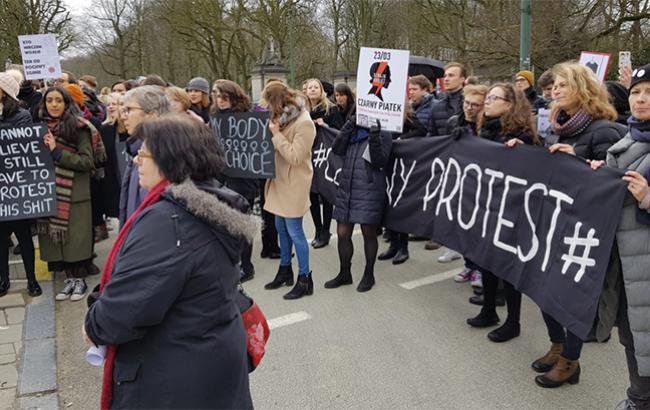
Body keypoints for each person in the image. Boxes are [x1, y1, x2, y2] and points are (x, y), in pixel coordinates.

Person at [84, 115, 255, 409]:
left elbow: (125, 311)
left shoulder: (168, 222)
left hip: (172, 382)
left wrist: (93, 324)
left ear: (169, 160)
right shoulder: (210, 203)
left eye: (144, 153)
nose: (137, 160)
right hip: (209, 366)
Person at [531, 62, 626, 388]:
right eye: (554, 85)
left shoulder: (605, 131)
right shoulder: (555, 128)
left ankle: (571, 360)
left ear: (583, 89)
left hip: (583, 231)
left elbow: (613, 181)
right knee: (543, 289)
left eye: (563, 85)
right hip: (554, 220)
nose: (555, 90)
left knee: (570, 296)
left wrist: (580, 162)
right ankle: (557, 345)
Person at [591, 63, 650, 410]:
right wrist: (596, 174)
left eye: (649, 94)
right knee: (632, 336)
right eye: (637, 92)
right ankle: (639, 398)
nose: (641, 100)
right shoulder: (629, 139)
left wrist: (647, 198)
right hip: (627, 265)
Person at [466, 83, 539, 344]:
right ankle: (488, 310)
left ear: (509, 105)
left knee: (507, 266)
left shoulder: (523, 135)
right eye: (488, 97)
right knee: (485, 259)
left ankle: (513, 321)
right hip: (486, 204)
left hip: (510, 209)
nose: (487, 101)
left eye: (494, 98)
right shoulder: (483, 128)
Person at [37, 87, 97, 301]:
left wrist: (57, 152)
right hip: (49, 192)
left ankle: (79, 280)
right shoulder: (38, 128)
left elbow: (87, 161)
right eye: (49, 100)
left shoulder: (79, 127)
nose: (53, 105)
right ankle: (68, 279)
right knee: (59, 241)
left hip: (75, 193)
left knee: (75, 240)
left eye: (58, 100)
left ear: (66, 103)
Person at [262, 82, 316, 300]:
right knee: (280, 227)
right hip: (279, 180)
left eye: (267, 104)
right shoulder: (283, 117)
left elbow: (295, 156)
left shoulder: (304, 122)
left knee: (295, 231)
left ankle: (305, 278)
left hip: (294, 182)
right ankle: (285, 270)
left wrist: (276, 135)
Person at [212, 79, 259, 283]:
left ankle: (246, 266)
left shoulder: (247, 119)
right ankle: (232, 262)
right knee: (224, 224)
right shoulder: (214, 118)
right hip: (221, 177)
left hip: (243, 178)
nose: (221, 101)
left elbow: (257, 150)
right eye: (218, 97)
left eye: (225, 97)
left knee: (241, 223)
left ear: (234, 97)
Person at [0, 73, 41, 297]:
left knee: (23, 237)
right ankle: (3, 279)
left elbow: (22, 145)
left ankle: (32, 280)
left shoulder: (21, 114)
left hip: (15, 186)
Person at [448, 84, 488, 289]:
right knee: (463, 228)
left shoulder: (488, 127)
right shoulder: (455, 122)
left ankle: (481, 269)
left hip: (483, 188)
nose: (469, 108)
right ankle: (469, 265)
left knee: (479, 231)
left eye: (475, 105)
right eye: (466, 103)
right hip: (461, 184)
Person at [428, 62, 466, 259]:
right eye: (445, 75)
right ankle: (452, 246)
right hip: (446, 164)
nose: (447, 78)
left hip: (469, 165)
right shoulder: (438, 107)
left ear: (463, 79)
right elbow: (431, 136)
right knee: (449, 205)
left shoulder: (470, 102)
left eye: (452, 75)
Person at [118, 86, 171, 225]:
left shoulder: (160, 156)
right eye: (123, 110)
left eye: (129, 110)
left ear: (152, 115)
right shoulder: (138, 148)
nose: (123, 116)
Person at [305, 78, 340, 249]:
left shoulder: (331, 109)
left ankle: (326, 230)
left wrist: (324, 124)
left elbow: (339, 132)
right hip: (307, 156)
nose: (312, 90)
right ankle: (318, 229)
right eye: (309, 87)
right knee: (311, 194)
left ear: (321, 91)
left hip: (325, 155)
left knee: (325, 193)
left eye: (315, 87)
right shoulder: (302, 111)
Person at [99, 93, 128, 226]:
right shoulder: (105, 129)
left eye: (114, 104)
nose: (111, 107)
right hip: (117, 179)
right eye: (108, 104)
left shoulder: (134, 127)